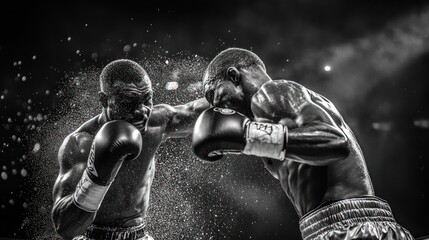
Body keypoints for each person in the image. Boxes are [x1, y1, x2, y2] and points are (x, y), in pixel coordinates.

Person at [192, 47, 414, 239]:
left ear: (234, 76)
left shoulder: (271, 92)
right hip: (331, 226)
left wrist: (249, 137)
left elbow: (335, 142)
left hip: (351, 228)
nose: (217, 108)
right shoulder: (270, 117)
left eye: (214, 95)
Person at [51, 59, 209, 240]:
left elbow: (194, 111)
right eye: (130, 103)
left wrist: (243, 93)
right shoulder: (80, 144)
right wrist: (95, 180)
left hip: (140, 235)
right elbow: (64, 227)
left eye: (147, 99)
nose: (142, 111)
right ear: (104, 100)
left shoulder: (155, 123)